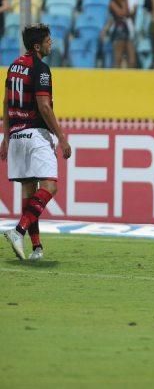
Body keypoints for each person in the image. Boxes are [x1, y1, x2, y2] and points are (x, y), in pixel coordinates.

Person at [2, 24, 72, 261]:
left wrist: (6, 137)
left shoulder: (13, 67)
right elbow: (44, 106)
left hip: (17, 137)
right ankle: (18, 230)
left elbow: (5, 103)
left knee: (29, 191)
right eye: (48, 40)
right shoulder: (41, 69)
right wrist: (61, 137)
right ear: (37, 46)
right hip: (35, 135)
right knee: (50, 187)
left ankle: (36, 248)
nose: (51, 43)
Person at [102, 0, 137, 68]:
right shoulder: (113, 2)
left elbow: (132, 13)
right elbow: (122, 13)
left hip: (129, 29)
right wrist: (124, 1)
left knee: (132, 60)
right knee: (118, 58)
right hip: (119, 30)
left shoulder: (128, 0)